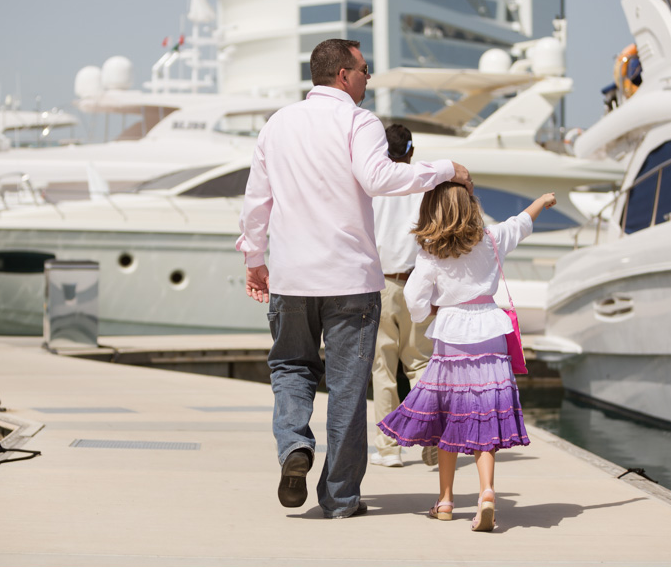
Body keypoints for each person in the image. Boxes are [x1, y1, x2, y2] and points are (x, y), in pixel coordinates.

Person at [236, 39, 472, 519]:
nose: (368, 78)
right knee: (347, 386)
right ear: (343, 74)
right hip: (351, 279)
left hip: (291, 278)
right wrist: (447, 169)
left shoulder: (277, 124)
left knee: (290, 369)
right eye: (365, 69)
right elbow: (379, 178)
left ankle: (294, 450)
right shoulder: (358, 121)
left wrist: (253, 258)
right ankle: (340, 498)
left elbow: (257, 199)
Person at [377, 182, 557, 531]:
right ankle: (487, 492)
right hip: (491, 331)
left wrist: (429, 311)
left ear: (433, 210)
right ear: (472, 206)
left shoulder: (430, 252)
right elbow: (522, 222)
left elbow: (415, 301)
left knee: (448, 417)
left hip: (452, 335)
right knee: (484, 416)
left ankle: (445, 501)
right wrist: (541, 200)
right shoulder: (492, 239)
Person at [370, 123, 438, 469]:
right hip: (418, 283)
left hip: (379, 284)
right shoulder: (422, 185)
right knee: (420, 364)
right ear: (411, 150)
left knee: (383, 366)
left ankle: (389, 448)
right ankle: (431, 443)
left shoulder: (373, 184)